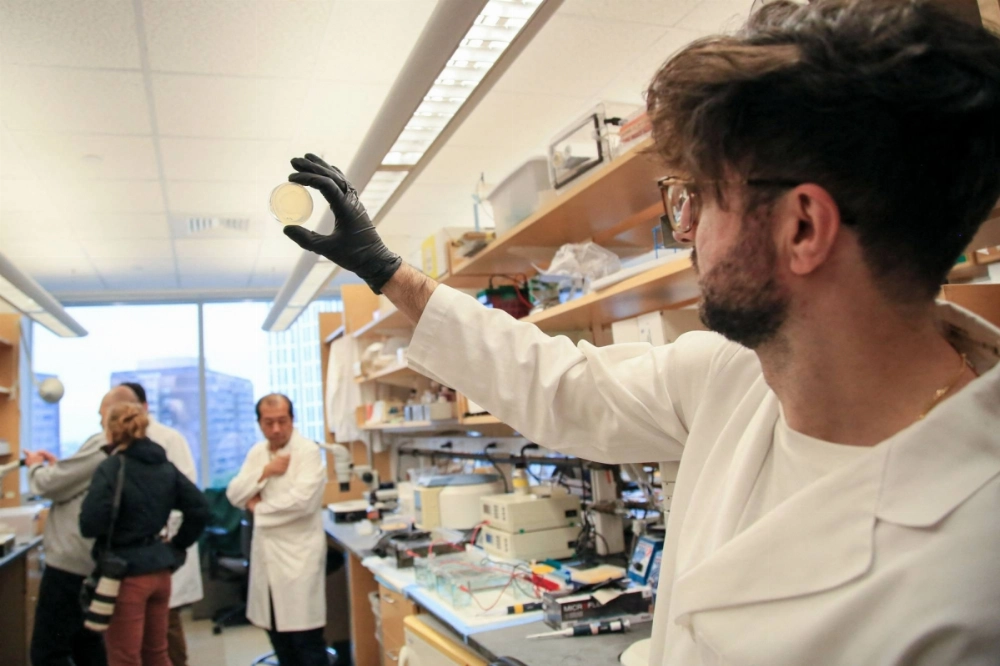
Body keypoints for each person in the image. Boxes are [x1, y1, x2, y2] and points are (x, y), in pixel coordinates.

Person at [281, 1, 1000, 663]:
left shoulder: (968, 581)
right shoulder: (731, 375)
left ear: (801, 227)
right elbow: (560, 387)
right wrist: (388, 272)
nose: (685, 230)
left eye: (701, 199)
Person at [79, 403, 209, 666]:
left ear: (111, 431)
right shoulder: (164, 466)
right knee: (157, 653)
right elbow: (200, 508)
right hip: (160, 571)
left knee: (124, 657)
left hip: (125, 575)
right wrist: (177, 546)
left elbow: (89, 524)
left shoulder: (112, 468)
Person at [23, 387, 143, 666]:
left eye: (102, 412)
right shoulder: (135, 448)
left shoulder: (105, 443)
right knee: (86, 644)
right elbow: (78, 481)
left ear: (112, 413)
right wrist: (59, 468)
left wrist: (35, 466)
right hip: (96, 561)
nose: (99, 418)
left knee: (48, 651)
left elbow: (49, 485)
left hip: (70, 562)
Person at [225, 394, 328, 666]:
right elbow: (234, 494)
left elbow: (303, 502)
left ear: (292, 420)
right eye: (269, 423)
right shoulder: (258, 454)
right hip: (267, 561)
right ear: (259, 423)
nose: (276, 429)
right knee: (278, 638)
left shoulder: (307, 451)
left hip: (298, 559)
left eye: (282, 421)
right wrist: (265, 472)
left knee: (306, 642)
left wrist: (259, 509)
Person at [119, 381, 203, 666]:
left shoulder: (168, 439)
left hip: (162, 548)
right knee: (138, 636)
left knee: (165, 629)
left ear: (144, 408)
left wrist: (173, 543)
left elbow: (189, 496)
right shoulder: (117, 443)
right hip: (137, 556)